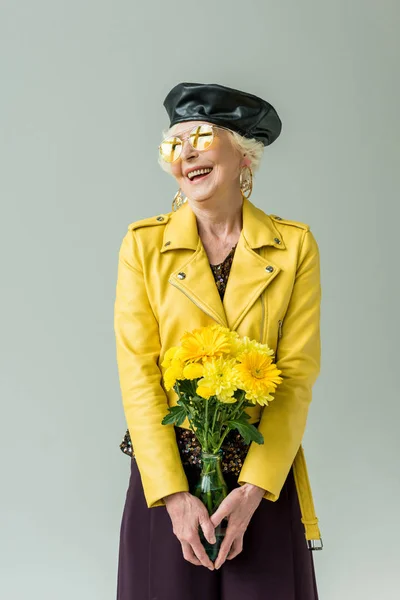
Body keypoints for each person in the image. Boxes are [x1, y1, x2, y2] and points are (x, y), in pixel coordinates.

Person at [114, 82, 322, 600]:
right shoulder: (143, 247)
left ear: (244, 153)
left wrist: (253, 492)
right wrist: (174, 496)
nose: (185, 153)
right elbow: (138, 375)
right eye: (174, 144)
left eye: (201, 137)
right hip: (169, 482)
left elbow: (295, 377)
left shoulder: (294, 247)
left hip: (261, 478)